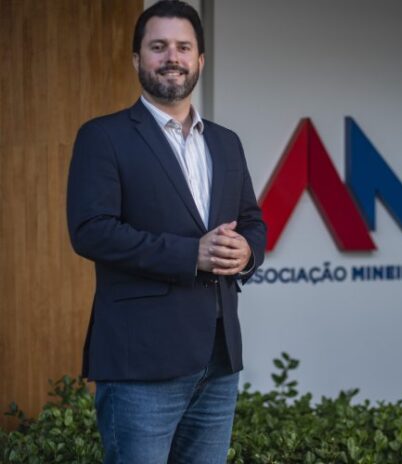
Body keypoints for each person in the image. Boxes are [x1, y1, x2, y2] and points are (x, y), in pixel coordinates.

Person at [66, 1, 266, 462]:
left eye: (183, 47)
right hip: (140, 362)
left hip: (218, 359)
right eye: (158, 47)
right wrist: (190, 254)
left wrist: (247, 253)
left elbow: (252, 220)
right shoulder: (103, 137)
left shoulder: (226, 142)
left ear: (200, 60)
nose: (172, 57)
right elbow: (91, 231)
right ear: (137, 58)